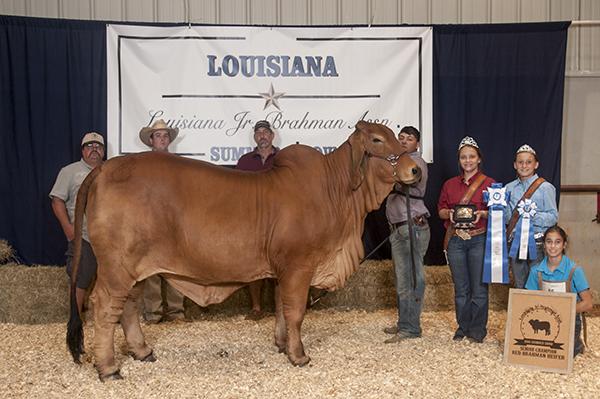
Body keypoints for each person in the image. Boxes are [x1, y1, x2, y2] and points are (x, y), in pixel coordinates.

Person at [438, 136, 495, 343]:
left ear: (479, 159)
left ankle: (478, 330)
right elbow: (441, 210)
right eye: (464, 157)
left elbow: (497, 212)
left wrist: (483, 214)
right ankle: (463, 327)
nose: (468, 161)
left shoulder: (490, 184)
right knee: (461, 288)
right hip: (456, 240)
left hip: (478, 239)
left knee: (479, 288)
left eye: (471, 157)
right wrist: (449, 214)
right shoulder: (449, 184)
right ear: (459, 160)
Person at [383, 126, 430, 343]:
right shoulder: (398, 162)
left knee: (413, 278)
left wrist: (387, 180)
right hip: (400, 228)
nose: (403, 141)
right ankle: (405, 323)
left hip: (412, 226)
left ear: (417, 144)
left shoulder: (414, 162)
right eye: (400, 138)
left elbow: (413, 180)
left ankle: (411, 327)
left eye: (409, 139)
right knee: (403, 279)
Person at [50, 132, 105, 313]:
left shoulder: (110, 171)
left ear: (103, 151)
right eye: (89, 146)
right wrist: (68, 228)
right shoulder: (70, 171)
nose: (94, 150)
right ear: (82, 150)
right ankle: (75, 318)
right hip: (83, 233)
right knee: (82, 274)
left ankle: (106, 316)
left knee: (109, 276)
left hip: (107, 236)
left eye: (98, 147)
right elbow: (57, 200)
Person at [139, 119, 186, 323]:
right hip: (151, 221)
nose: (162, 138)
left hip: (175, 221)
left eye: (165, 135)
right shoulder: (143, 165)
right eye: (158, 135)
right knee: (151, 268)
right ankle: (153, 313)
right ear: (151, 140)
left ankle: (177, 311)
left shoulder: (180, 164)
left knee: (178, 267)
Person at [525, 225, 592, 356]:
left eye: (557, 242)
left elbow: (588, 304)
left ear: (564, 245)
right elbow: (529, 300)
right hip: (544, 318)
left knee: (564, 354)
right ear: (544, 245)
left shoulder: (575, 270)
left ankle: (577, 345)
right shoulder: (536, 271)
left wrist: (563, 310)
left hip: (569, 318)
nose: (553, 246)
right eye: (549, 242)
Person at [235, 120, 279, 320]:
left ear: (272, 136)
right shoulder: (245, 161)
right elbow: (235, 190)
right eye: (258, 132)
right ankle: (256, 308)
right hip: (251, 218)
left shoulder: (283, 158)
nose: (262, 135)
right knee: (255, 262)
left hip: (279, 217)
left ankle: (281, 307)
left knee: (281, 262)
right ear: (255, 137)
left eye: (265, 132)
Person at [505, 144, 558, 289]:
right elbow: (508, 219)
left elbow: (553, 217)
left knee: (538, 285)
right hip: (515, 244)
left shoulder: (545, 187)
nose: (524, 165)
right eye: (520, 162)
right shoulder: (509, 188)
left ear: (536, 164)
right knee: (519, 285)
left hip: (538, 243)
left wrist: (531, 216)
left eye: (528, 162)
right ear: (515, 165)